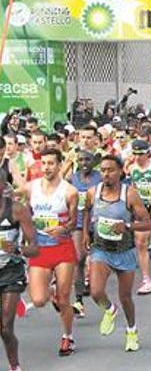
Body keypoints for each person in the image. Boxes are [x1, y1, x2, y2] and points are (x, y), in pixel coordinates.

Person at [80, 155, 151, 352]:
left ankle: (131, 331)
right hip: (101, 249)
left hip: (124, 251)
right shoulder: (93, 193)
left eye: (111, 170)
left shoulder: (129, 194)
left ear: (120, 172)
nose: (106, 174)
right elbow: (86, 211)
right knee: (95, 291)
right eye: (103, 170)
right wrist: (86, 233)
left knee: (126, 297)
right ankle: (110, 309)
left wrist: (127, 226)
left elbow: (147, 223)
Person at [23, 149, 79, 356]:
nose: (46, 167)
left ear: (59, 164)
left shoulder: (69, 191)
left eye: (50, 163)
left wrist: (64, 229)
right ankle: (53, 292)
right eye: (43, 163)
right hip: (40, 250)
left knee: (63, 299)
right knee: (38, 300)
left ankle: (68, 337)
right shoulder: (31, 188)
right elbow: (23, 211)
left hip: (62, 248)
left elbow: (74, 222)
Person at [0, 169, 39, 371]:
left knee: (6, 327)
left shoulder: (16, 210)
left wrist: (15, 248)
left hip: (10, 271)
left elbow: (34, 249)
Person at [127, 139, 151, 295]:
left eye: (140, 154)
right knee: (141, 243)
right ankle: (147, 279)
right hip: (141, 210)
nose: (137, 157)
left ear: (148, 153)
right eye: (135, 154)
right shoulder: (132, 168)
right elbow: (132, 186)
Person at [70, 150, 101, 317]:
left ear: (93, 161)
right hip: (78, 223)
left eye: (87, 159)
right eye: (80, 159)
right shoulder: (73, 178)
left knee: (99, 261)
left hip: (97, 223)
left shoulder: (100, 177)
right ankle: (79, 300)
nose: (84, 163)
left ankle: (101, 296)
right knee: (79, 258)